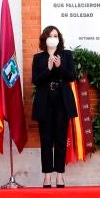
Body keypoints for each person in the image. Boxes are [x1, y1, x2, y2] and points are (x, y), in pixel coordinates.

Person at [32, 25, 77, 188]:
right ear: (45, 39)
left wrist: (60, 67)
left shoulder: (66, 55)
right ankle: (47, 177)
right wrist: (48, 69)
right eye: (50, 35)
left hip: (62, 103)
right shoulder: (38, 58)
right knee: (46, 140)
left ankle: (60, 175)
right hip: (45, 103)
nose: (53, 38)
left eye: (56, 35)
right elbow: (35, 81)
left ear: (59, 38)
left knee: (60, 139)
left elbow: (72, 76)